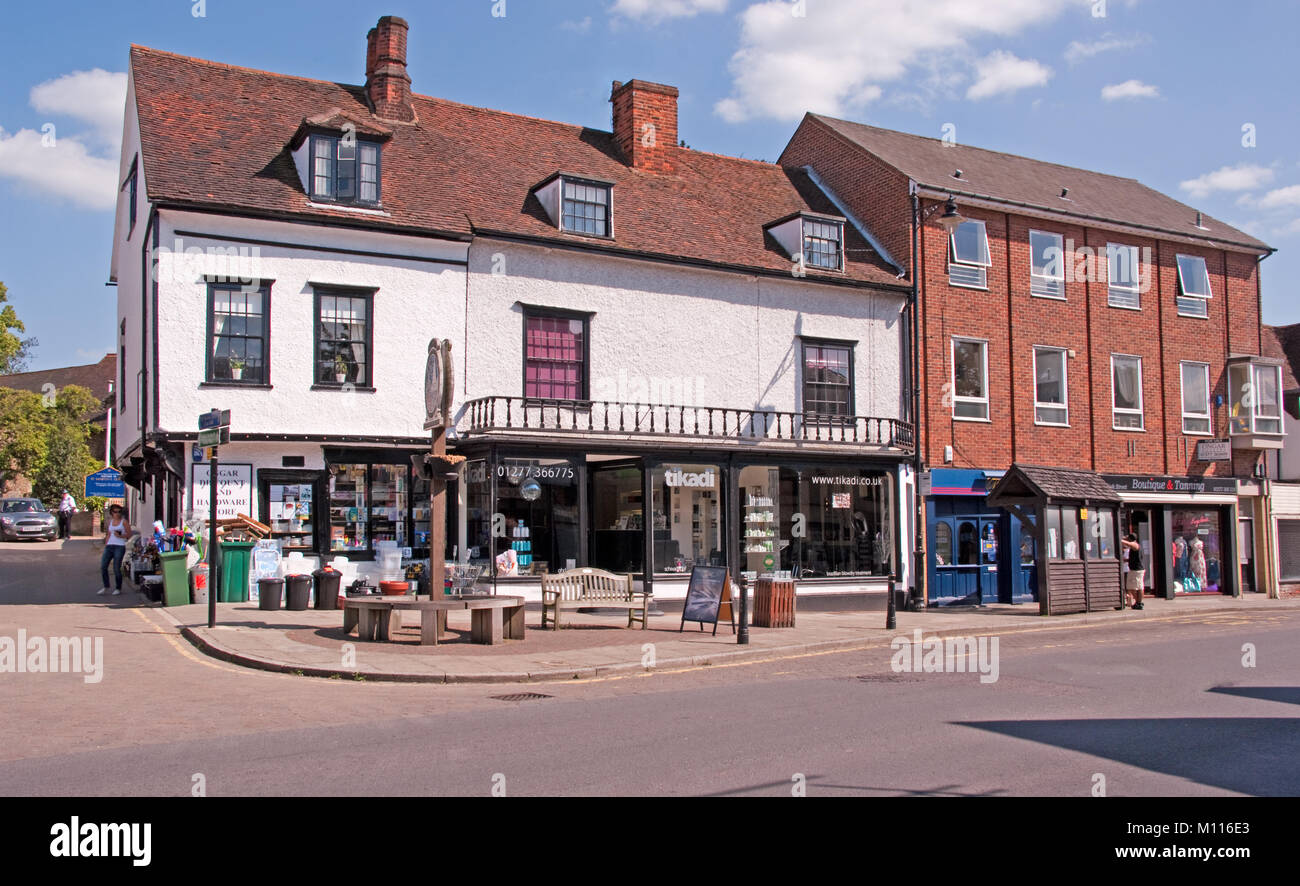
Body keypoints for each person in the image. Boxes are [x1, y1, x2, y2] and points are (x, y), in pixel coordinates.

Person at [98, 504, 129, 597]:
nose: (117, 514)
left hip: (119, 546)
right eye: (115, 512)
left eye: (119, 512)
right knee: (103, 566)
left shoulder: (124, 522)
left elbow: (129, 534)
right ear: (112, 513)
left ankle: (118, 588)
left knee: (116, 568)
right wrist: (106, 544)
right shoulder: (110, 522)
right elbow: (108, 534)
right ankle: (106, 586)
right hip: (110, 546)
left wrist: (121, 536)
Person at [1120, 527, 1144, 610]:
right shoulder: (1135, 545)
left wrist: (1121, 538)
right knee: (1135, 587)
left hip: (1136, 570)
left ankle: (1139, 602)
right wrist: (1126, 560)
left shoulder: (1134, 544)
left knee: (1134, 587)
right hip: (1135, 569)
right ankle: (1138, 602)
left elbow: (1124, 542)